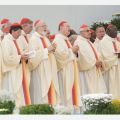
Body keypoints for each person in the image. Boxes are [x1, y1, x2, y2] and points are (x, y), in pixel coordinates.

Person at [28, 19, 60, 105]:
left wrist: (52, 49)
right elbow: (32, 56)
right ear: (37, 28)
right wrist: (47, 50)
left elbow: (48, 51)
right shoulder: (33, 39)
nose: (45, 28)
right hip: (40, 70)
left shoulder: (45, 38)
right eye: (43, 26)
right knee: (41, 92)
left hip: (49, 69)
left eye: (46, 26)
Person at [53, 21, 81, 108]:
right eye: (67, 26)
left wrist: (75, 52)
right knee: (66, 92)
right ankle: (67, 110)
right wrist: (71, 50)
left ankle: (73, 109)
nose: (69, 28)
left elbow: (70, 54)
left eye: (69, 26)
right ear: (61, 27)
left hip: (71, 69)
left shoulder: (65, 39)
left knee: (72, 91)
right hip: (64, 71)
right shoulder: (58, 40)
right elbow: (59, 55)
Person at [1, 23, 30, 107]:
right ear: (13, 31)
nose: (19, 35)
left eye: (20, 33)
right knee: (13, 90)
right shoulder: (6, 41)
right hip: (11, 72)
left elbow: (20, 52)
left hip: (19, 70)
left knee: (20, 91)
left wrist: (25, 55)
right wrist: (20, 57)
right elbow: (7, 58)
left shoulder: (16, 40)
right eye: (18, 33)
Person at [74, 24, 107, 95]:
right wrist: (94, 62)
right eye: (87, 31)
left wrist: (99, 61)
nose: (90, 32)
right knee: (89, 91)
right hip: (87, 72)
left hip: (94, 70)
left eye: (90, 31)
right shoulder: (78, 42)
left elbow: (96, 53)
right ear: (81, 32)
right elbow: (82, 57)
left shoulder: (88, 41)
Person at [98, 24, 120, 98]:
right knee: (111, 88)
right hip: (109, 69)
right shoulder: (104, 42)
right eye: (114, 31)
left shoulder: (116, 40)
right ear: (108, 31)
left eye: (116, 30)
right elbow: (105, 56)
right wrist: (117, 56)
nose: (116, 32)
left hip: (118, 68)